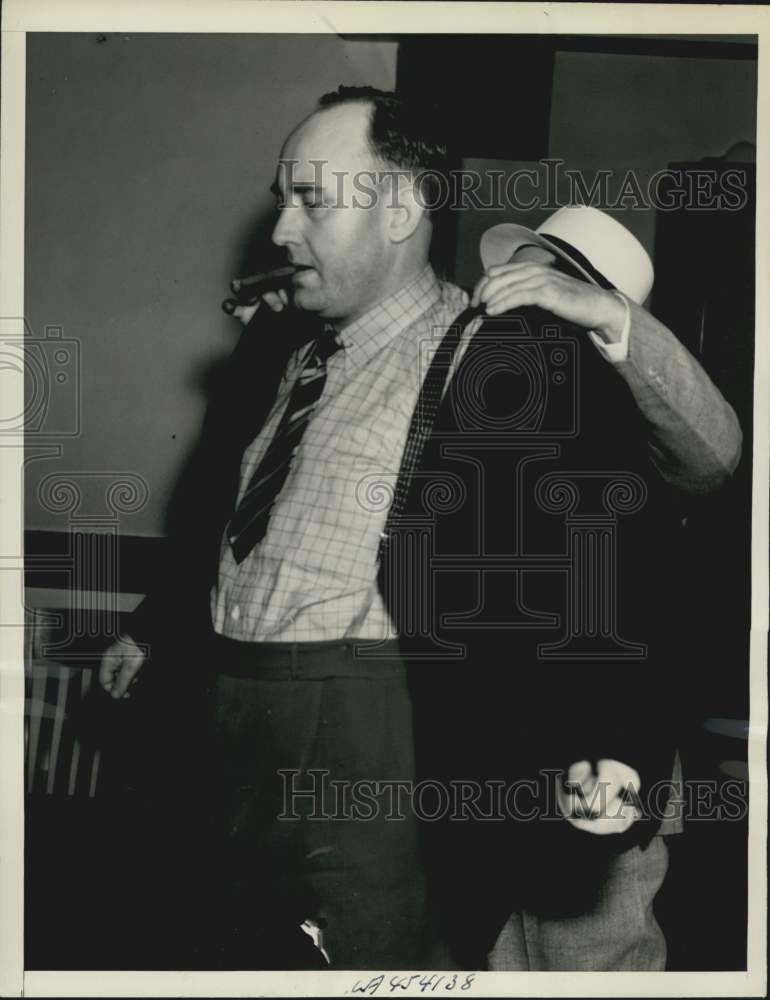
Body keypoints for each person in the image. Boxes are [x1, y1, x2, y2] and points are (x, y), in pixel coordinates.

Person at [99, 86, 742, 970]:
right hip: (234, 723)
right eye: (282, 199)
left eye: (312, 199)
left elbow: (629, 543)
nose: (281, 229)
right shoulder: (287, 350)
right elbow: (226, 508)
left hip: (397, 749)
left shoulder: (504, 363)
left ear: (401, 210)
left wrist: (610, 746)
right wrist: (157, 626)